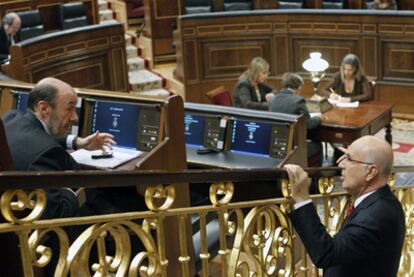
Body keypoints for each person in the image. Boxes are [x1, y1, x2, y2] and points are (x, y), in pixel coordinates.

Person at [1, 77, 124, 219]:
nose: (75, 117)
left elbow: (36, 137)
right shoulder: (46, 153)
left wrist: (77, 142)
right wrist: (72, 192)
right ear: (44, 109)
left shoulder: (11, 118)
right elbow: (59, 212)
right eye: (69, 108)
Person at [284, 135, 405, 277]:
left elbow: (326, 253)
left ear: (370, 172)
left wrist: (302, 197)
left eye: (349, 159)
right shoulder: (379, 201)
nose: (340, 164)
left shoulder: (376, 216)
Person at [269, 72, 322, 167]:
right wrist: (318, 118)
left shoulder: (273, 100)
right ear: (298, 88)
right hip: (293, 149)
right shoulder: (298, 101)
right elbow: (309, 124)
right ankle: (316, 179)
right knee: (317, 145)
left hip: (276, 146)